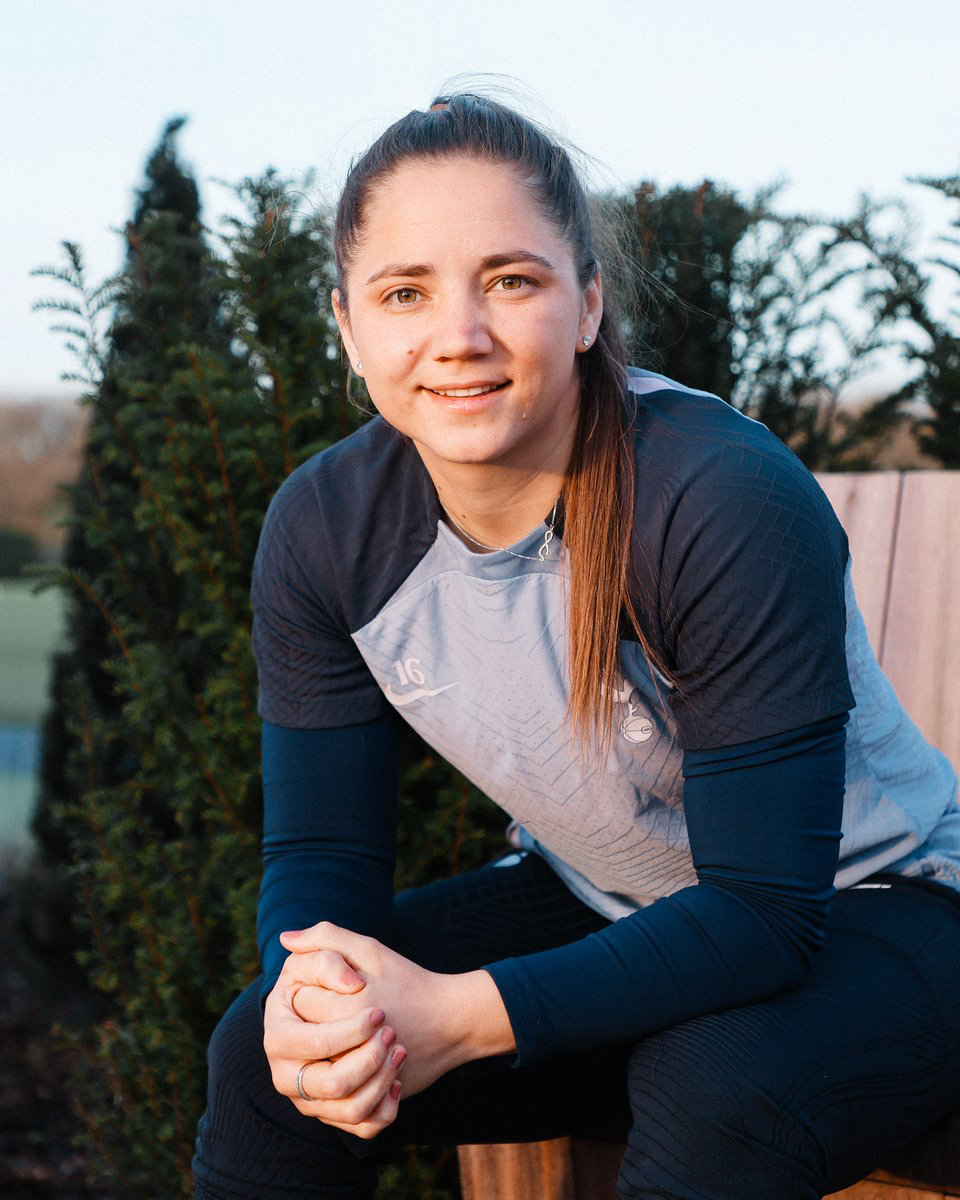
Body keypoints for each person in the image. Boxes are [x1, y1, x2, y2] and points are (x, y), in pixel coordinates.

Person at [193, 93, 960, 1200]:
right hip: (613, 903)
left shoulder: (716, 498)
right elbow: (322, 858)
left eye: (512, 280)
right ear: (350, 327)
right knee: (264, 1059)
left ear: (589, 303)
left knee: (720, 1083)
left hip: (880, 916)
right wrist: (319, 1003)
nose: (459, 334)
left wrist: (465, 1016)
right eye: (405, 292)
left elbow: (762, 912)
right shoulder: (325, 529)